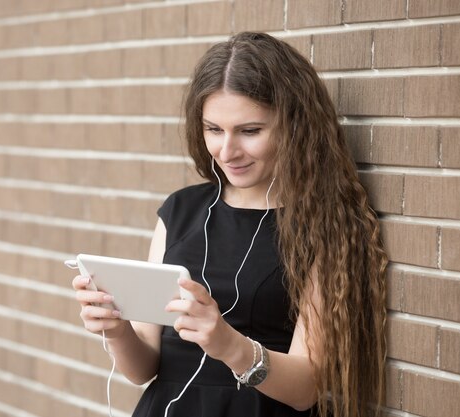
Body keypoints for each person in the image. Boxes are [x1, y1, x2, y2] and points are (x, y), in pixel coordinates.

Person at [72, 31, 387, 417]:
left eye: (250, 131)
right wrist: (117, 330)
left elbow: (307, 388)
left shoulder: (325, 223)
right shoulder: (180, 211)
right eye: (213, 129)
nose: (227, 151)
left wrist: (227, 344)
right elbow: (143, 369)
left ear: (295, 125)